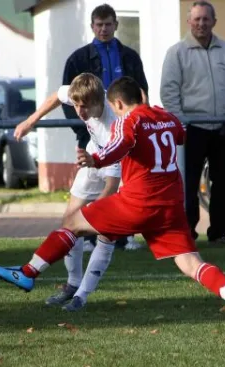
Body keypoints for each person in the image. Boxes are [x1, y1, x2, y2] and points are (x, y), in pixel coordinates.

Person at [0, 77, 225, 329]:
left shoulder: (128, 121)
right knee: (191, 263)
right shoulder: (167, 117)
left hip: (138, 201)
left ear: (118, 103)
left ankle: (28, 273)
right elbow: (182, 135)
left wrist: (94, 159)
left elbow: (119, 146)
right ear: (142, 95)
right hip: (170, 205)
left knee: (73, 222)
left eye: (115, 107)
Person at [13, 73, 121, 311]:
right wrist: (31, 121)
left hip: (118, 166)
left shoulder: (114, 124)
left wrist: (93, 215)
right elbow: (57, 96)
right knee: (70, 220)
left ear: (99, 102)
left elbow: (112, 185)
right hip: (93, 157)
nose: (80, 111)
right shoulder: (81, 94)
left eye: (85, 107)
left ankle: (81, 297)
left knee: (106, 231)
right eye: (77, 105)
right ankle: (73, 284)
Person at [62, 3, 148, 252]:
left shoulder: (129, 56)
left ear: (116, 25)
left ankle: (124, 236)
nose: (103, 29)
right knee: (91, 186)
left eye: (108, 24)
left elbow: (141, 91)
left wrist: (141, 122)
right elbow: (68, 95)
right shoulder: (79, 58)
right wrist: (82, 127)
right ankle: (87, 236)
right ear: (92, 26)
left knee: (124, 185)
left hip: (124, 132)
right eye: (99, 25)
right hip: (92, 133)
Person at [160, 0, 225, 245]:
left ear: (214, 22)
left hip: (223, 127)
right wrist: (180, 123)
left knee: (224, 183)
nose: (201, 24)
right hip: (191, 128)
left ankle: (219, 233)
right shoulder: (176, 53)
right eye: (196, 19)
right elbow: (169, 92)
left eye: (206, 19)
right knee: (187, 185)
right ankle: (187, 232)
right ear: (189, 22)